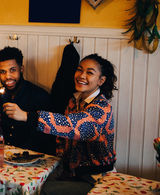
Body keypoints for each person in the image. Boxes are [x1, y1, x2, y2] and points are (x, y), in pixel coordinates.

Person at [29, 54, 117, 195]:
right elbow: (62, 139)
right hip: (71, 173)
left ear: (101, 80)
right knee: (33, 180)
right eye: (79, 70)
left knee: (43, 190)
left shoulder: (101, 109)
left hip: (95, 179)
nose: (81, 75)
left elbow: (73, 126)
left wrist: (29, 116)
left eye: (89, 73)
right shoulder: (74, 100)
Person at [0, 46, 55, 154]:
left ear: (21, 69)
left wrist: (26, 116)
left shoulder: (39, 96)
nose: (7, 76)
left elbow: (50, 138)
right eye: (3, 72)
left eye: (12, 70)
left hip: (30, 162)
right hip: (0, 156)